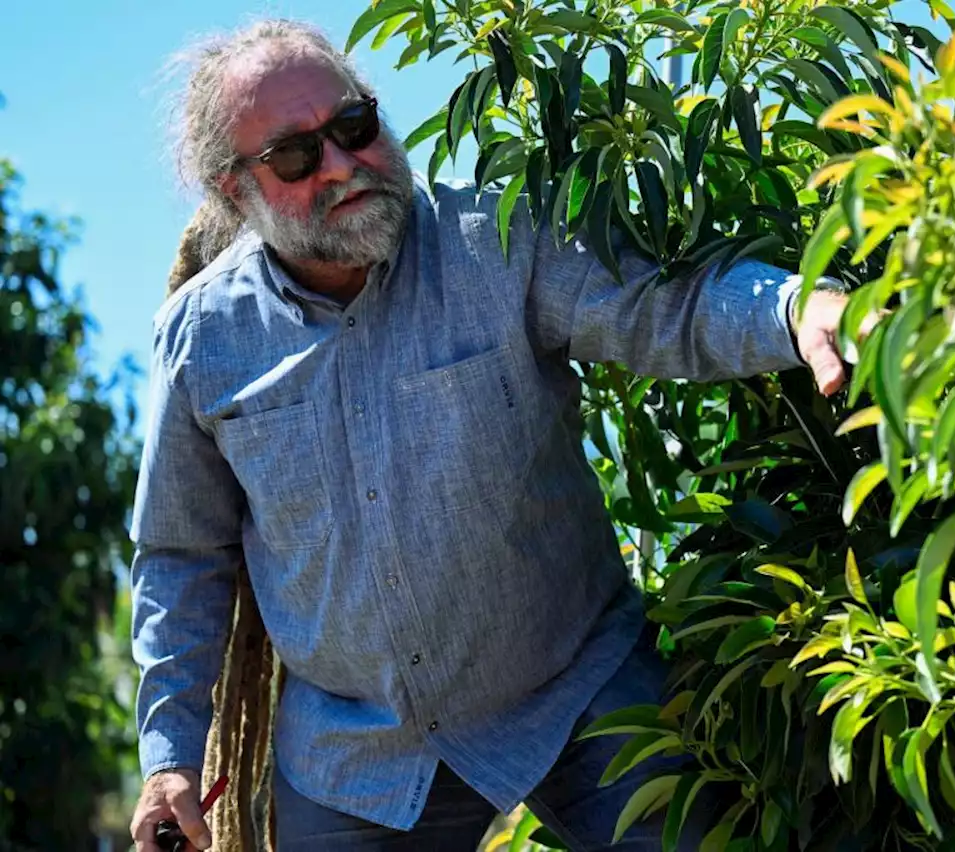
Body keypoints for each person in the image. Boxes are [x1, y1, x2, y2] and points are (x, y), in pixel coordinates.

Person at [130, 18, 851, 852]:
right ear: (233, 192)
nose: (342, 163)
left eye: (354, 127)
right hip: (354, 752)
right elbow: (182, 556)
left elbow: (667, 307)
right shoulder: (202, 339)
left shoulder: (496, 241)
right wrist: (171, 757)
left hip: (574, 687)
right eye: (296, 156)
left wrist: (798, 308)